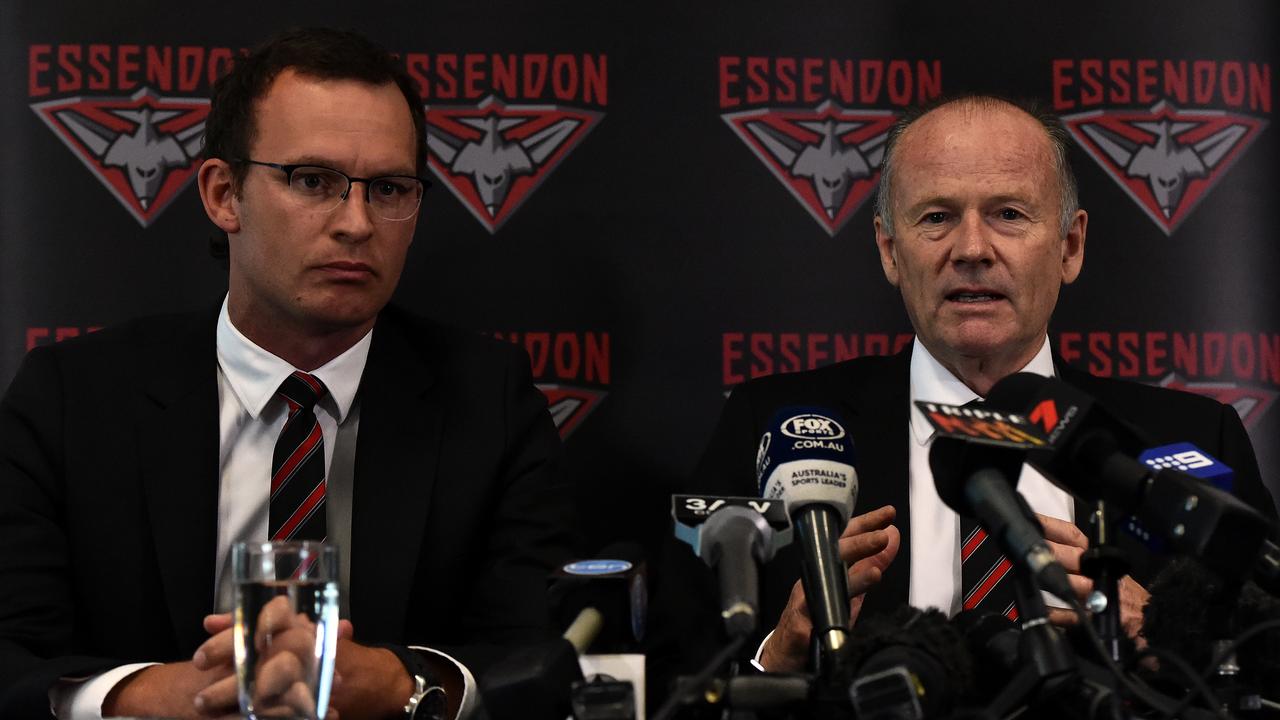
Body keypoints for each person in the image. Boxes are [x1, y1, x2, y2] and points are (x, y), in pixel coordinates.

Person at [0, 28, 577, 719]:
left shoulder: (489, 400)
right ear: (223, 194)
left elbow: (542, 652)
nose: (357, 223)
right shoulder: (73, 398)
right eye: (314, 181)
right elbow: (11, 650)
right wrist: (148, 694)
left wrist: (402, 685)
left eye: (390, 188)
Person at [677, 94, 1276, 674]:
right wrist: (777, 655)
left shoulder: (1193, 438)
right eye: (936, 217)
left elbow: (1266, 660)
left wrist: (1162, 635)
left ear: (1070, 246)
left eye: (1008, 215)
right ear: (890, 249)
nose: (971, 249)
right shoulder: (773, 425)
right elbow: (675, 669)